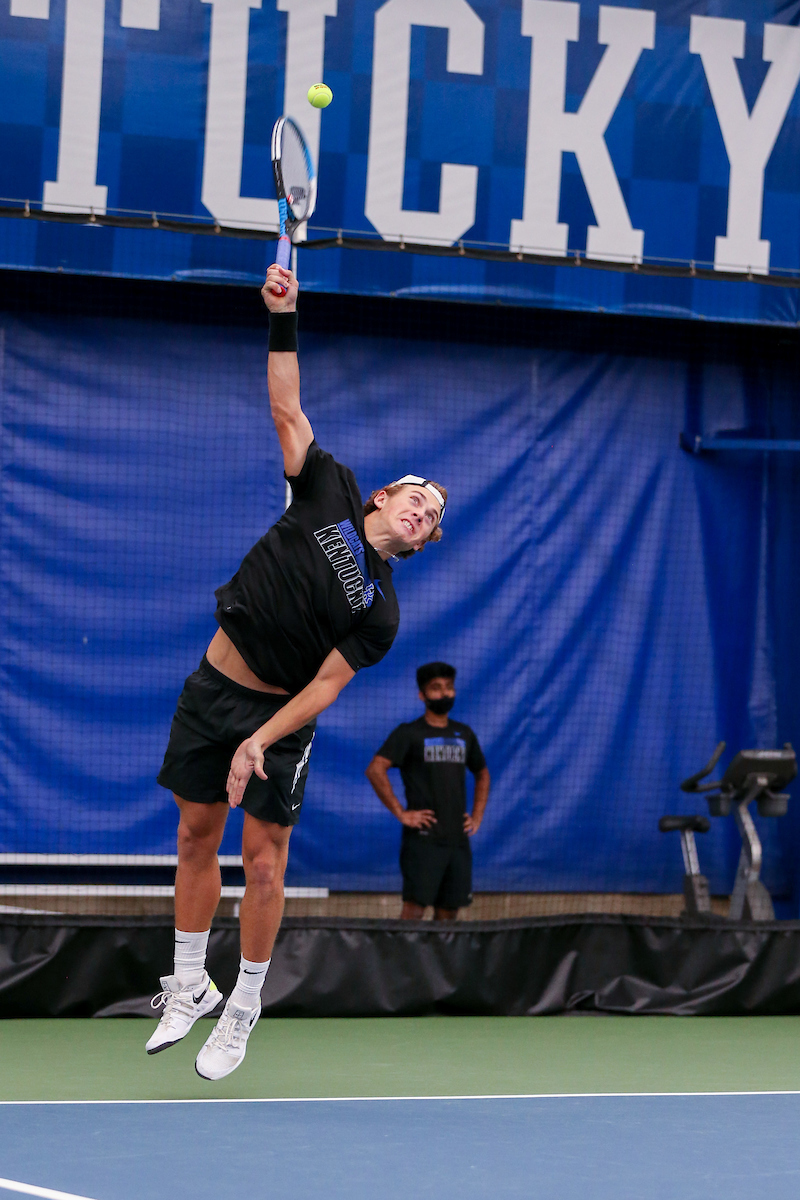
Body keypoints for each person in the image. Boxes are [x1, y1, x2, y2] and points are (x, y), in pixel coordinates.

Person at [147, 263, 448, 1080]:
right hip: (213, 687)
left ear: (420, 544)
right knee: (194, 835)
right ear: (382, 496)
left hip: (280, 720)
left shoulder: (381, 611)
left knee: (265, 861)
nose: (422, 511)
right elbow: (286, 405)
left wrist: (261, 741)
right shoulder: (328, 488)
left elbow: (323, 688)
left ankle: (243, 1005)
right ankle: (189, 983)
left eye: (431, 519)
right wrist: (283, 315)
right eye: (417, 498)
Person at [366, 662, 490, 920]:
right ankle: (403, 951)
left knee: (448, 914)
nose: (444, 693)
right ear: (422, 695)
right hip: (423, 841)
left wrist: (477, 816)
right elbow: (375, 769)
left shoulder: (464, 733)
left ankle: (440, 951)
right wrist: (401, 813)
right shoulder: (409, 733)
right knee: (413, 912)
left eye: (449, 687)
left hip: (457, 839)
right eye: (436, 688)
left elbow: (482, 773)